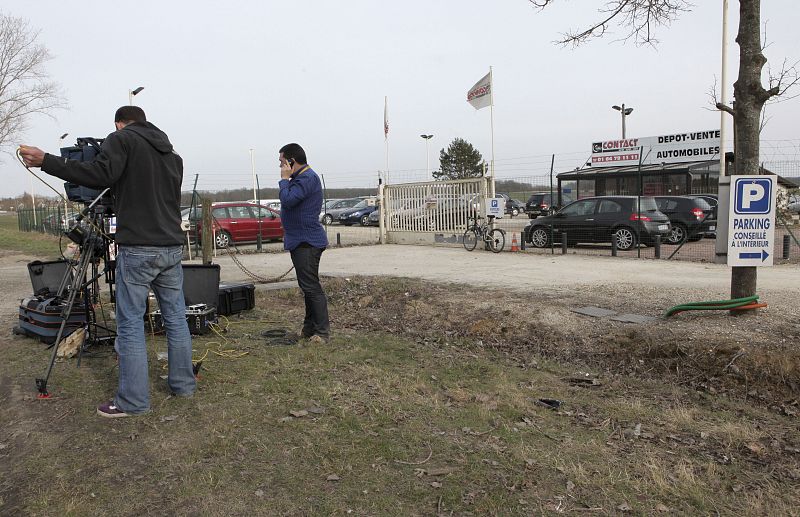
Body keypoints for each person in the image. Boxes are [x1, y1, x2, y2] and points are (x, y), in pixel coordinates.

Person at [19, 106, 195, 418]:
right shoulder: (172, 154)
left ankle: (133, 401)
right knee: (176, 318)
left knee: (129, 324)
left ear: (119, 124)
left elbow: (99, 174)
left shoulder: (121, 140)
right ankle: (183, 385)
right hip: (171, 246)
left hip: (139, 246)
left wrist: (47, 161)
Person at [278, 143, 330, 342]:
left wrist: (284, 181)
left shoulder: (307, 178)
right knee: (307, 287)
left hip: (307, 241)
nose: (281, 167)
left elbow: (288, 200)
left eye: (282, 162)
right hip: (300, 240)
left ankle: (322, 332)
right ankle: (309, 329)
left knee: (311, 287)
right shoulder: (301, 178)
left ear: (292, 161)